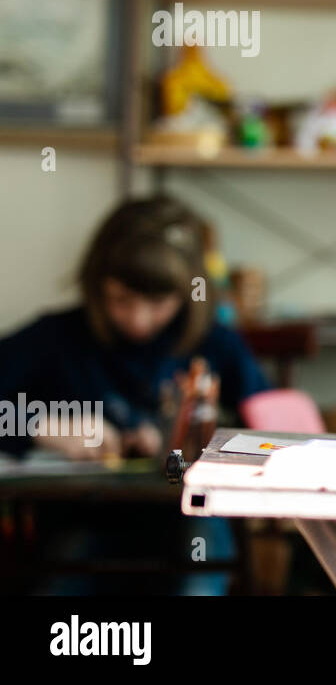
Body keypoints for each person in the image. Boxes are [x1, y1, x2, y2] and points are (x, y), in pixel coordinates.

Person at [0, 194, 272, 593]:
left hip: (189, 524)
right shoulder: (57, 339)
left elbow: (276, 436)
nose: (138, 319)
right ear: (96, 286)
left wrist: (193, 441)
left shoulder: (217, 346)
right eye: (121, 300)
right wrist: (40, 426)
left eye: (158, 302)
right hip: (80, 523)